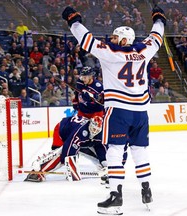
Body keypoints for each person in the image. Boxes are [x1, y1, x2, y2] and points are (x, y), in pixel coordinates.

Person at [62, 4, 166, 215]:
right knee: (140, 151)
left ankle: (115, 196)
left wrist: (73, 20)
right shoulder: (145, 50)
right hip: (140, 112)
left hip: (118, 110)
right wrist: (159, 19)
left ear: (124, 40)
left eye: (117, 38)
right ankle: (147, 190)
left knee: (115, 151)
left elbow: (85, 39)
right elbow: (157, 36)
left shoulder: (109, 53)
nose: (113, 40)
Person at [24, 115, 106, 182]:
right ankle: (38, 172)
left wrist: (104, 161)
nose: (94, 132)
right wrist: (68, 165)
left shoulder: (101, 132)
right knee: (62, 156)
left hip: (78, 137)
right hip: (61, 132)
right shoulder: (80, 131)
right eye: (93, 129)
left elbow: (99, 146)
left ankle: (104, 169)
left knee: (97, 156)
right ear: (90, 124)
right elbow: (68, 149)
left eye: (97, 130)